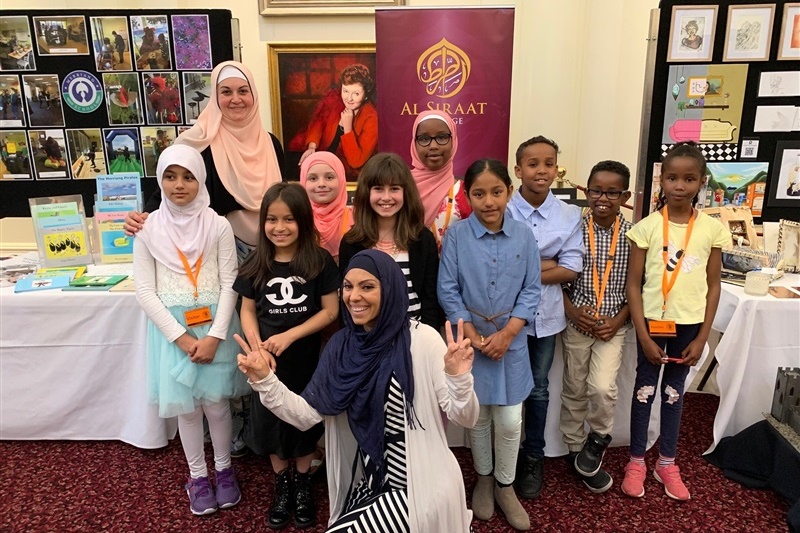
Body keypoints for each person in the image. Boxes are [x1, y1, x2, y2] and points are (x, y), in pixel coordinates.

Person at [236, 249, 479, 532]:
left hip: (421, 485)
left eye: (367, 287)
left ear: (390, 288)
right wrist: (266, 380)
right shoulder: (343, 347)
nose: (354, 296)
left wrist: (458, 378)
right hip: (373, 483)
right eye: (348, 287)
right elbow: (305, 416)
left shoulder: (422, 340)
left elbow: (465, 417)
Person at [133, 144, 249, 516]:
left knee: (216, 403)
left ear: (201, 180)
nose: (179, 185)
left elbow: (230, 281)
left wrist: (215, 336)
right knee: (187, 409)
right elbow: (144, 290)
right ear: (159, 180)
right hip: (173, 332)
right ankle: (197, 476)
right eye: (170, 176)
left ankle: (224, 470)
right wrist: (181, 338)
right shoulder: (147, 228)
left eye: (188, 177)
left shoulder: (218, 225)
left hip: (215, 326)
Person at [438, 159, 541, 531]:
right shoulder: (456, 236)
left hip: (511, 341)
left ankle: (505, 484)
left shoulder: (524, 235)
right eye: (479, 194)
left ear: (509, 192)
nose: (489, 201)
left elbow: (531, 289)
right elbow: (448, 289)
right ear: (467, 196)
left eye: (497, 192)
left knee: (510, 420)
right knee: (479, 417)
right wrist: (473, 335)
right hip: (471, 342)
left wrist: (508, 333)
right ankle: (483, 478)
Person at [621, 142, 728, 501]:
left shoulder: (711, 229)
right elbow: (633, 285)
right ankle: (637, 460)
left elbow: (714, 286)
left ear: (701, 182)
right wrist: (643, 336)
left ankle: (666, 462)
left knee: (673, 393)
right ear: (661, 180)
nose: (679, 186)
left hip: (690, 326)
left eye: (689, 179)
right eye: (672, 178)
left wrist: (703, 337)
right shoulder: (646, 228)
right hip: (652, 323)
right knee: (645, 390)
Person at [233, 182, 340, 529]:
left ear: (303, 221)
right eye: (272, 219)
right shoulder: (255, 261)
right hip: (266, 363)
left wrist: (290, 335)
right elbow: (247, 309)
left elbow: (330, 311)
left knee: (303, 421)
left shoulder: (318, 261)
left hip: (306, 361)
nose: (280, 227)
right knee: (271, 423)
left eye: (289, 219)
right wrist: (257, 346)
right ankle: (282, 482)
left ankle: (303, 479)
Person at [124, 61, 285, 254]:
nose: (236, 99)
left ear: (253, 95)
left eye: (243, 91)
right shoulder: (197, 143)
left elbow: (282, 197)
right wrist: (143, 217)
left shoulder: (270, 143)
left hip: (272, 250)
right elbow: (167, 191)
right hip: (214, 251)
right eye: (226, 92)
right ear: (215, 97)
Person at [505, 135, 583, 500]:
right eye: (532, 164)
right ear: (518, 170)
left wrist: (526, 268)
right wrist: (546, 263)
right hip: (506, 317)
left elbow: (571, 268)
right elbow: (498, 265)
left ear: (556, 169)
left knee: (538, 388)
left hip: (546, 318)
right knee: (506, 388)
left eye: (548, 163)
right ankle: (503, 457)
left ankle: (533, 455)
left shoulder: (569, 215)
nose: (541, 170)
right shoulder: (502, 210)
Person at [560, 160, 634, 494]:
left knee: (602, 387)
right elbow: (559, 278)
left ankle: (598, 438)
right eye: (596, 191)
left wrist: (618, 320)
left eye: (612, 192)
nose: (602, 198)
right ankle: (575, 449)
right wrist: (573, 313)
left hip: (612, 327)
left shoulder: (633, 235)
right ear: (586, 191)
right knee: (574, 387)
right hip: (577, 323)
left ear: (625, 196)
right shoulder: (572, 229)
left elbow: (639, 286)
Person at [339, 153, 441, 329]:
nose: (386, 197)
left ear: (406, 192)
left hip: (414, 334)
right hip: (368, 337)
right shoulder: (351, 242)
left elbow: (430, 299)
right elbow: (347, 299)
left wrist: (428, 337)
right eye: (378, 189)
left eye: (394, 189)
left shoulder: (422, 239)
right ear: (366, 192)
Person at [296, 64, 378, 181]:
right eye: (345, 91)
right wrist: (312, 147)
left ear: (365, 95)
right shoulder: (335, 100)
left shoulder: (371, 118)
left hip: (349, 174)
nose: (349, 98)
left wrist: (348, 129)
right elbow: (319, 121)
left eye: (356, 93)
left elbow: (356, 161)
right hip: (324, 162)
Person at [409, 110, 471, 248]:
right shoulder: (400, 188)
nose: (433, 146)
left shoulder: (464, 193)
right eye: (424, 139)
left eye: (442, 137)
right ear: (414, 143)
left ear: (453, 140)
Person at [299, 151, 352, 263]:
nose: (321, 184)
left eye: (329, 177)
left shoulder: (356, 219)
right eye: (313, 178)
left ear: (341, 179)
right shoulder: (298, 220)